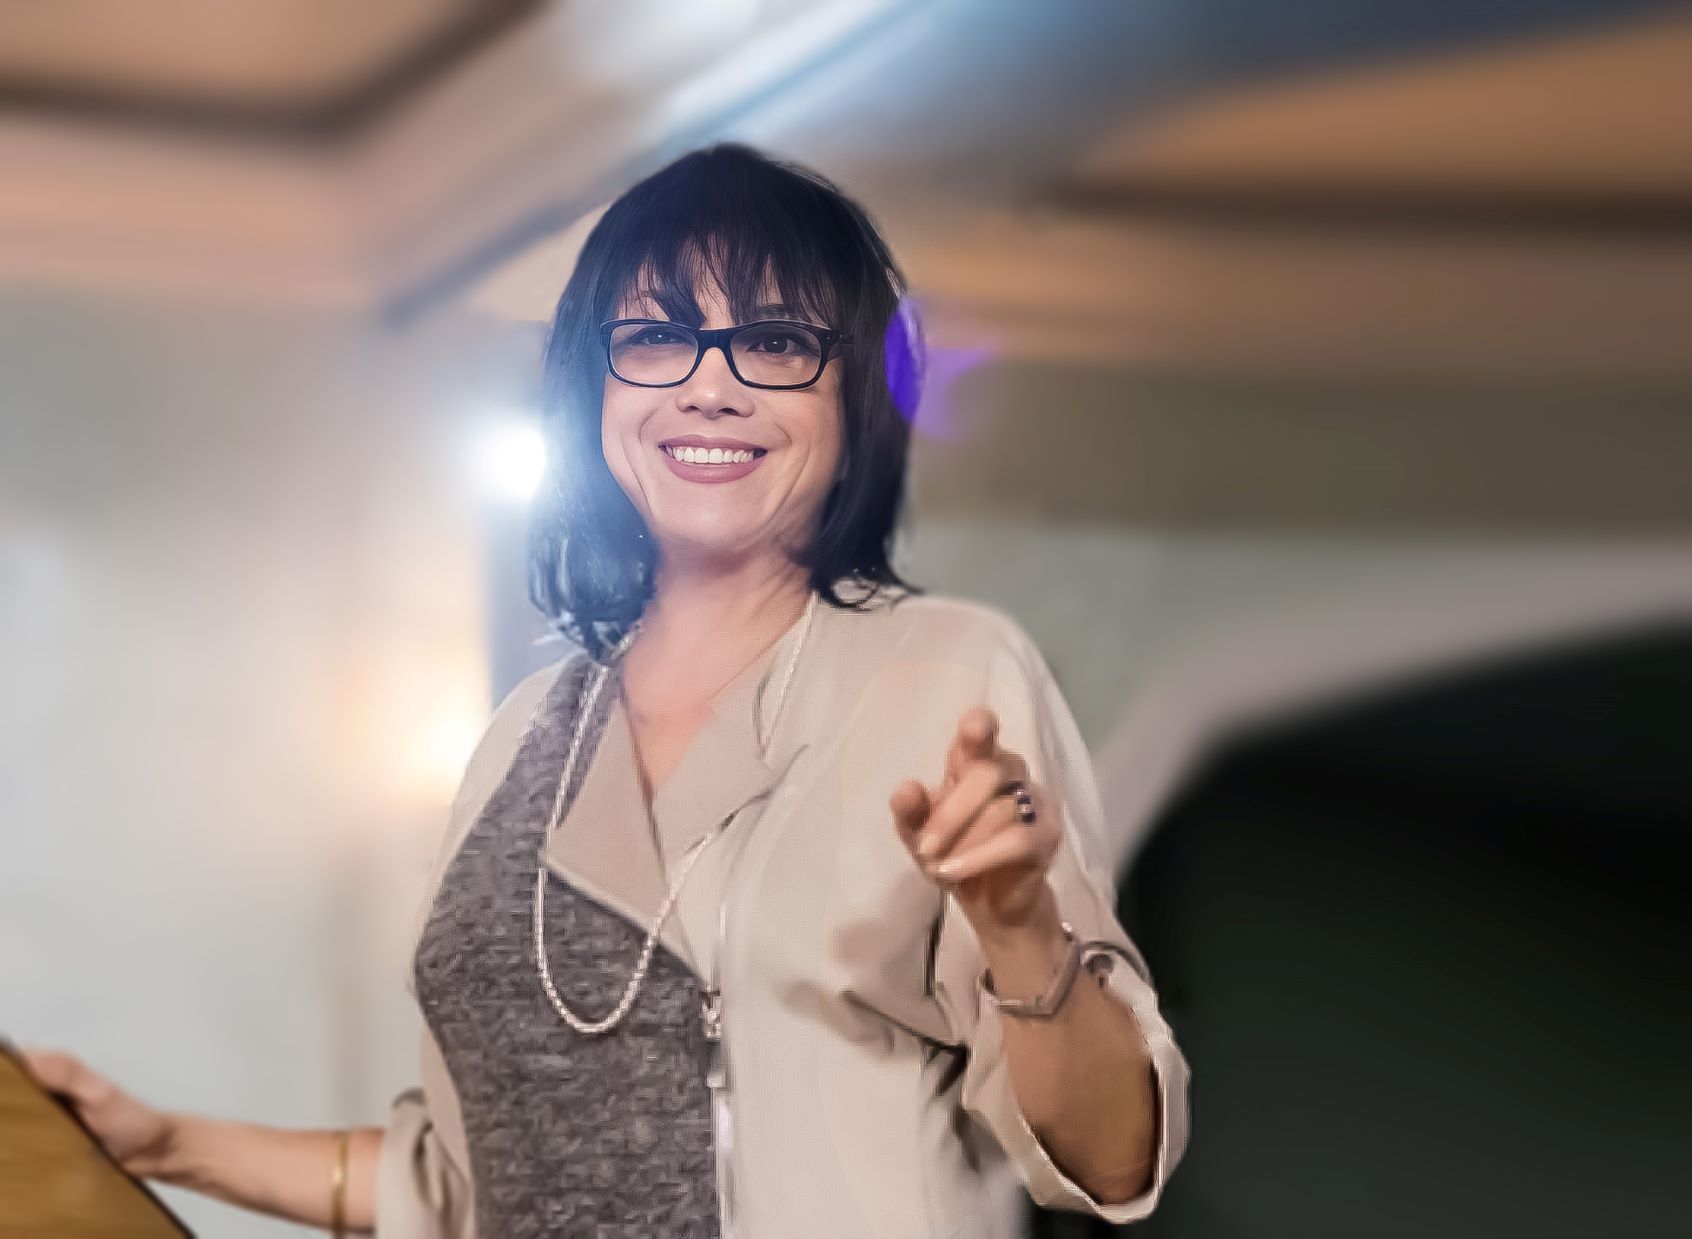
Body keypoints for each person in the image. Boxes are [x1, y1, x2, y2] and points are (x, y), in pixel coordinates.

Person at [23, 143, 1189, 1238]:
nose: (710, 387)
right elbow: (469, 1185)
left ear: (855, 402)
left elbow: (1114, 1158)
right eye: (658, 338)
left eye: (776, 341)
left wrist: (1021, 933)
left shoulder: (939, 674)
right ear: (595, 389)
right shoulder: (520, 738)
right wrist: (167, 1143)